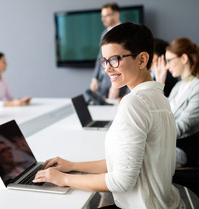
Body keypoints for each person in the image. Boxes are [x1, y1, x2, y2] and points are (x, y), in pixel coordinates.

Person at [33, 22, 184, 208]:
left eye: (114, 60)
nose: (107, 69)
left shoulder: (134, 103)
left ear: (142, 60)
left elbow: (121, 181)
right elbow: (122, 162)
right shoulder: (158, 96)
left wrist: (63, 179)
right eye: (104, 61)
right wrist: (72, 166)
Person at [156, 37, 199, 167]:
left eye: (170, 61)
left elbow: (180, 127)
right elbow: (162, 112)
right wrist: (159, 84)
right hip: (169, 143)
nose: (167, 66)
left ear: (184, 58)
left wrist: (150, 136)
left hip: (183, 149)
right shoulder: (179, 86)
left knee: (136, 156)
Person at [90, 2, 129, 100]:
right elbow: (100, 57)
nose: (103, 19)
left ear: (116, 15)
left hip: (118, 85)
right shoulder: (104, 33)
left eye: (106, 15)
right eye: (102, 16)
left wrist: (115, 86)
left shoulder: (125, 32)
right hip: (103, 84)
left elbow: (125, 60)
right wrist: (95, 78)